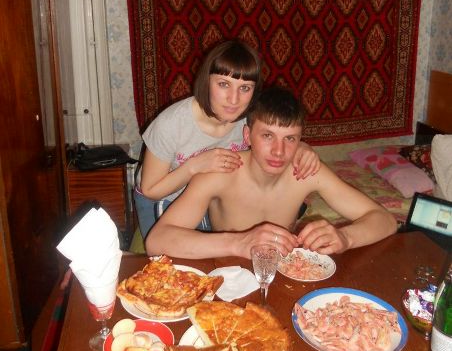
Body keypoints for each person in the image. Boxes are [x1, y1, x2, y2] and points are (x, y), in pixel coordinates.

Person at [145, 85, 397, 259]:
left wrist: (345, 237)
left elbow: (385, 220)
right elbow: (157, 241)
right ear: (247, 136)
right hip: (228, 276)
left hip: (281, 273)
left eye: (290, 139)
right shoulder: (220, 172)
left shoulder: (306, 171)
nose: (279, 151)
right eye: (267, 136)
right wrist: (238, 243)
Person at [134, 40, 320, 238]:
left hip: (211, 195)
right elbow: (151, 189)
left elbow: (281, 131)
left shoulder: (248, 117)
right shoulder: (171, 124)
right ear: (207, 81)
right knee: (171, 253)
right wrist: (194, 166)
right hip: (164, 197)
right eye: (224, 84)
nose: (234, 99)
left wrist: (302, 147)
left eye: (245, 88)